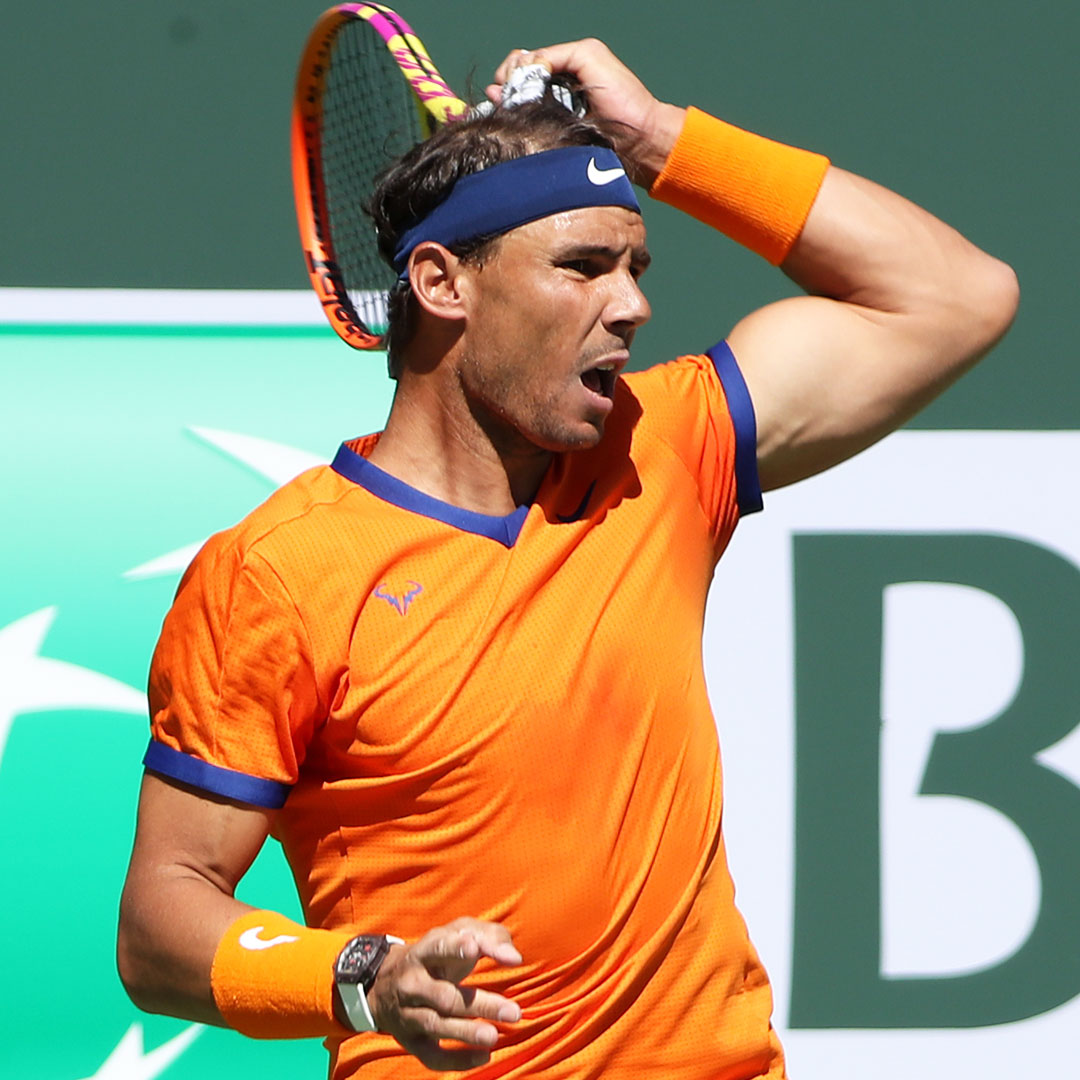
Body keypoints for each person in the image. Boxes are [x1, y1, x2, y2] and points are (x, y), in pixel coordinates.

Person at [117, 39, 1018, 1080]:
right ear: (441, 281)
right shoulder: (278, 573)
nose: (630, 305)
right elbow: (161, 921)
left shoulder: (664, 443)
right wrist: (360, 974)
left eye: (635, 267)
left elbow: (957, 298)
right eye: (582, 267)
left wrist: (660, 139)